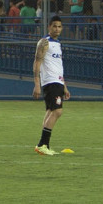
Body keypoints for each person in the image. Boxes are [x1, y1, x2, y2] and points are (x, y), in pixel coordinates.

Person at [32, 16, 70, 155]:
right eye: (54, 26)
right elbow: (37, 63)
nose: (57, 29)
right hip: (50, 81)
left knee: (50, 111)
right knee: (57, 111)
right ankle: (43, 144)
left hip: (57, 81)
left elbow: (58, 66)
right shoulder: (44, 42)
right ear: (49, 27)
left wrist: (64, 86)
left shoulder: (58, 44)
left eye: (59, 26)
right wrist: (37, 84)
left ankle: (43, 145)